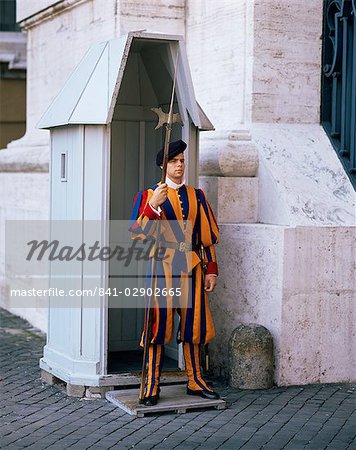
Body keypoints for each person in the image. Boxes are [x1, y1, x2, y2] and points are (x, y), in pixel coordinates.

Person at [130, 139, 220, 406]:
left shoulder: (197, 196)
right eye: (173, 161)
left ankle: (195, 380)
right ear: (163, 165)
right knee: (158, 329)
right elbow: (137, 235)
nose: (179, 165)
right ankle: (151, 385)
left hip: (192, 268)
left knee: (195, 327)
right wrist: (153, 206)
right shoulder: (147, 196)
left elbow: (206, 239)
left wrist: (211, 270)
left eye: (181, 161)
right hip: (162, 270)